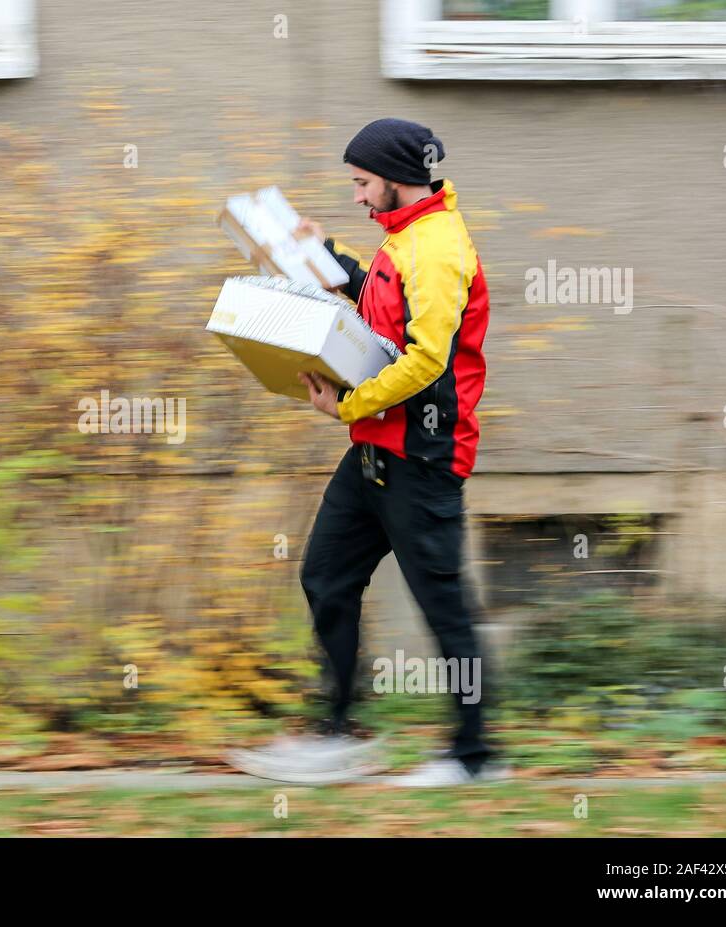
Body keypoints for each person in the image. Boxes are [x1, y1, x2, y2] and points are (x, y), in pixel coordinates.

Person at [226, 118, 500, 787]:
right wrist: (326, 258)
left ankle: (474, 756)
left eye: (360, 182)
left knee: (444, 607)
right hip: (376, 447)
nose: (355, 195)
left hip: (421, 454)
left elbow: (427, 362)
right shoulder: (405, 234)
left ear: (396, 179)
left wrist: (347, 404)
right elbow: (382, 300)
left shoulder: (436, 249)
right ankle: (339, 733)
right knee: (326, 575)